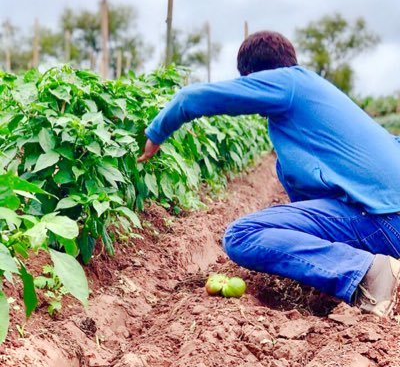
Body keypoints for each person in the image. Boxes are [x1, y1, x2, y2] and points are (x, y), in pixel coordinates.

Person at [138, 31, 400, 317]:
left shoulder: (288, 83)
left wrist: (156, 134)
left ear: (253, 76)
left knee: (242, 235)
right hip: (384, 219)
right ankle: (362, 269)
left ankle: (371, 274)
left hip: (385, 223)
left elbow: (190, 97)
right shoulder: (315, 97)